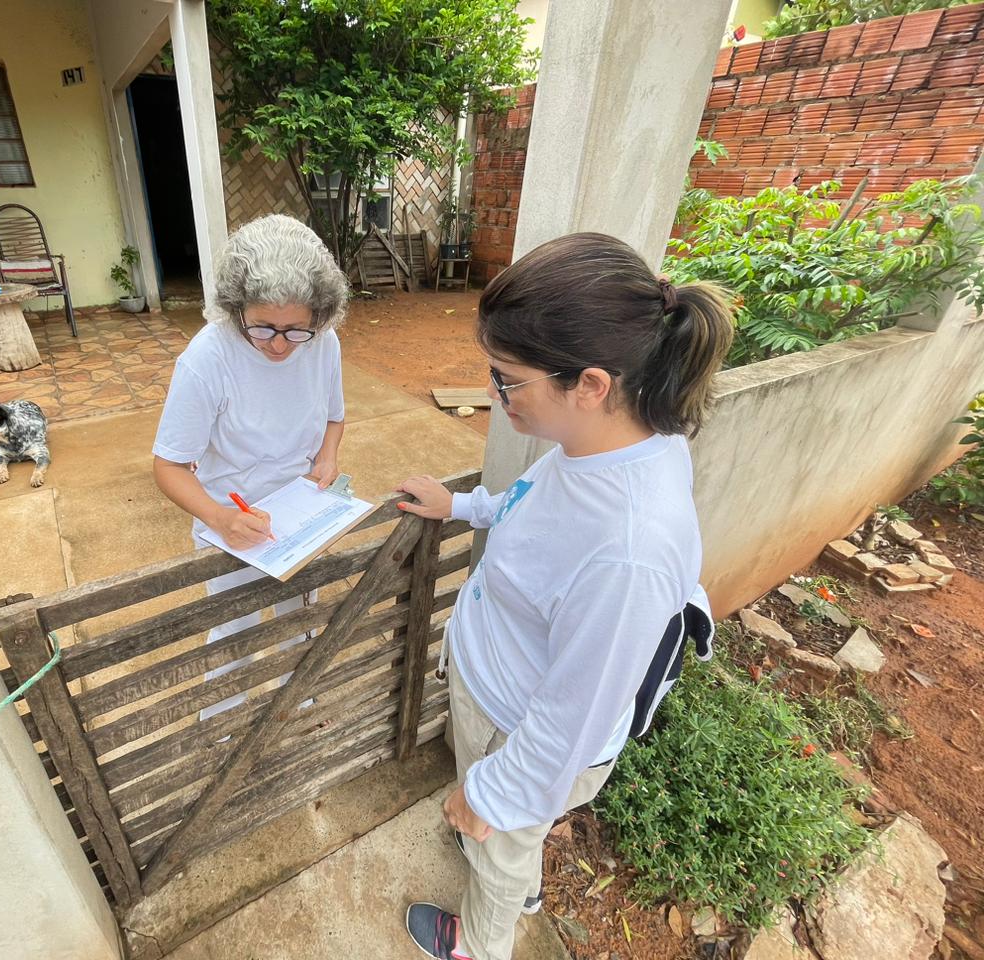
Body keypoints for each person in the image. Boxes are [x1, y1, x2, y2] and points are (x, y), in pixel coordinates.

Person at [396, 233, 734, 960]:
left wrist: (490, 795)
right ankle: (520, 879)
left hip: (518, 734)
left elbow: (575, 716)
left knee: (494, 852)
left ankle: (476, 944)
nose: (495, 394)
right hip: (504, 703)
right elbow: (533, 510)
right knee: (507, 844)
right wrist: (463, 509)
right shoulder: (610, 444)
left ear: (589, 384)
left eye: (507, 379)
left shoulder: (632, 547)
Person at [152, 214, 350, 725]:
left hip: (299, 514)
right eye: (261, 327)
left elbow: (334, 415)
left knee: (299, 616)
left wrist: (327, 458)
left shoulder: (323, 342)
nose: (279, 344)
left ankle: (295, 705)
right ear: (235, 307)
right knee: (233, 627)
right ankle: (221, 723)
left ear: (321, 315)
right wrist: (219, 519)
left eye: (295, 329)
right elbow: (170, 465)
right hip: (230, 518)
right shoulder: (208, 358)